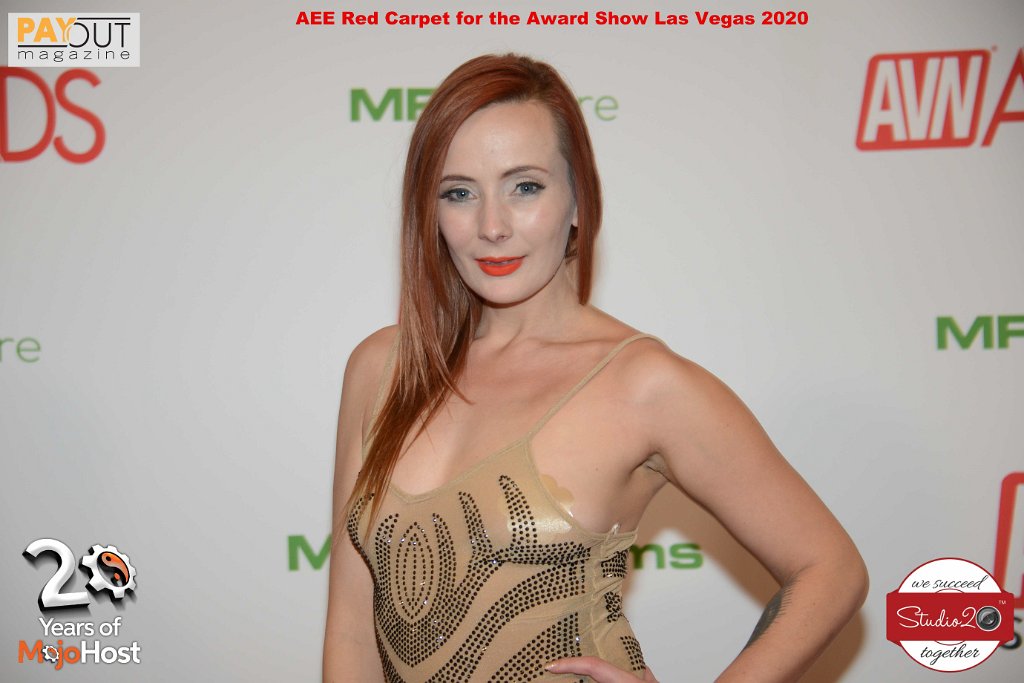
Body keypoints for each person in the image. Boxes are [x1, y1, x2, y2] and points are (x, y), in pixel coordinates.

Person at [323, 54, 867, 682]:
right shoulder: (381, 368)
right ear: (431, 211)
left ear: (578, 199)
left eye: (525, 187)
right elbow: (350, 627)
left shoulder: (644, 386)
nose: (492, 226)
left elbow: (831, 569)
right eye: (459, 193)